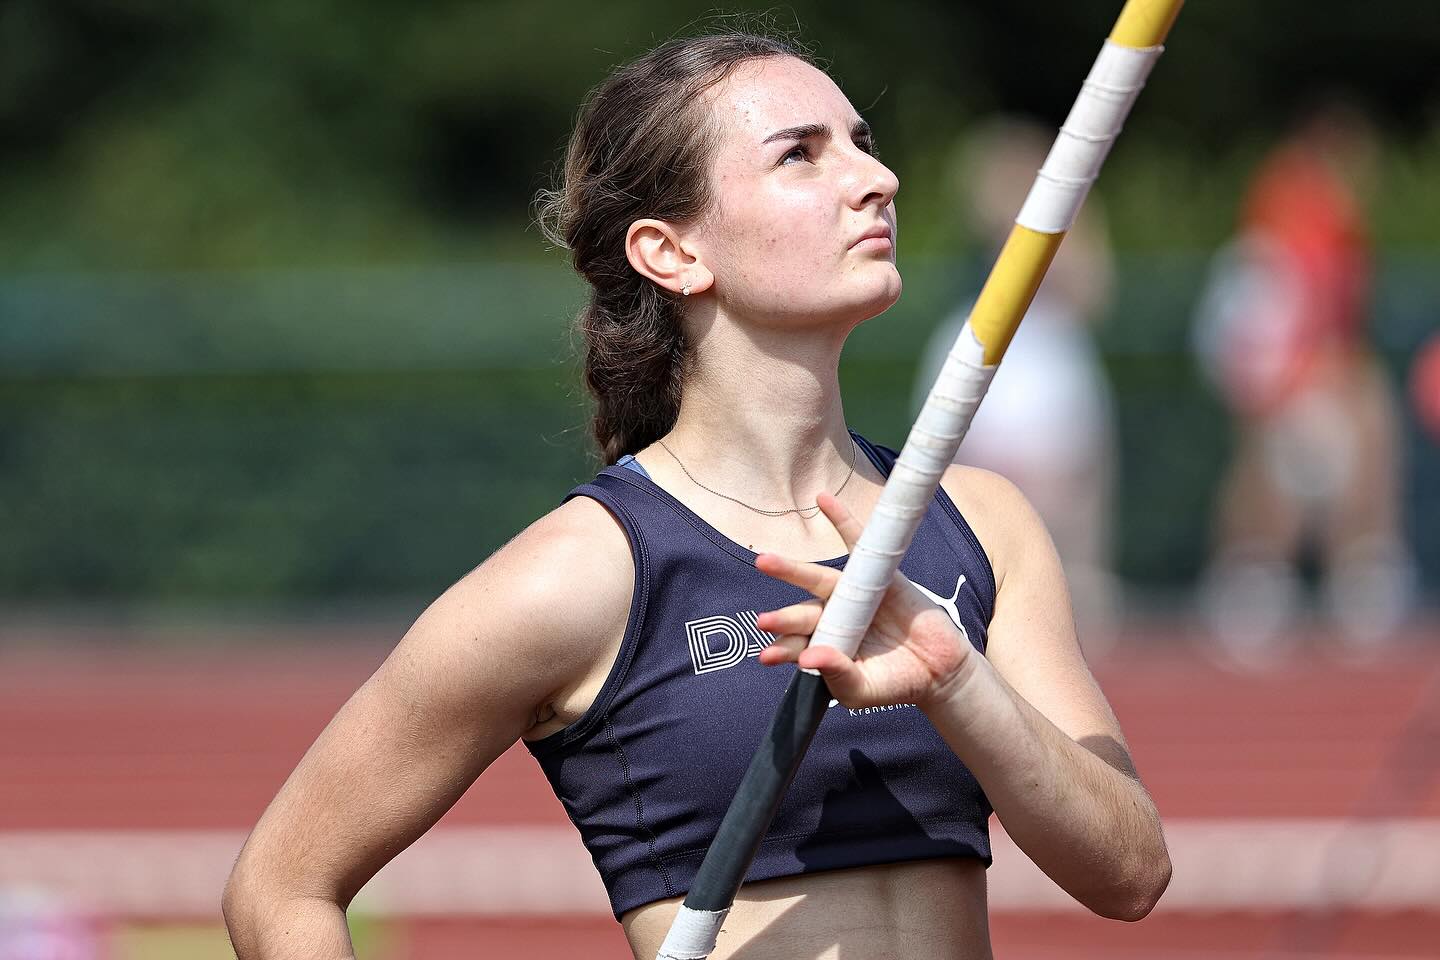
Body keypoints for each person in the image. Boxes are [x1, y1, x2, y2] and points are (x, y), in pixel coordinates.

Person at [221, 32, 1170, 960]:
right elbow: (281, 885)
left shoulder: (979, 522)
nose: (873, 181)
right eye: (800, 155)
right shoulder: (586, 574)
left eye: (862, 144)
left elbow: (1130, 874)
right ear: (670, 253)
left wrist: (958, 682)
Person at [1192, 98, 1414, 663]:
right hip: (1287, 365)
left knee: (1335, 467)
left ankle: (1348, 574)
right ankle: (1261, 577)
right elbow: (1277, 299)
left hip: (1308, 366)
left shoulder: (1330, 216)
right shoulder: (1294, 204)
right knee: (1279, 478)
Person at [914, 117, 1119, 651]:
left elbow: (1092, 287)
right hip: (998, 396)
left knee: (1071, 531)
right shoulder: (968, 314)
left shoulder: (1066, 275)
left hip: (1051, 388)